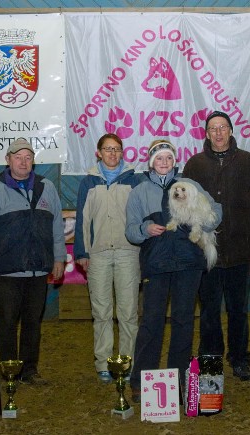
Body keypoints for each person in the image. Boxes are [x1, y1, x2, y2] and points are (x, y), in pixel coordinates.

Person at [125, 139, 222, 402]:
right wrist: (145, 229)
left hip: (189, 264)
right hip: (156, 265)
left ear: (174, 161)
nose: (164, 162)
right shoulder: (140, 191)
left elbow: (216, 212)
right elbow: (131, 230)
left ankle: (179, 380)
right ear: (151, 162)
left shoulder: (191, 186)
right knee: (151, 321)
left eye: (168, 158)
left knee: (183, 321)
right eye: (159, 158)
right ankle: (141, 380)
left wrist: (202, 220)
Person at [0, 137, 66, 386]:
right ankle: (9, 370)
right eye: (18, 157)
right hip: (7, 271)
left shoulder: (47, 188)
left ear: (33, 161)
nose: (23, 162)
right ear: (8, 160)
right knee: (6, 323)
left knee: (32, 323)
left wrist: (59, 258)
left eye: (28, 157)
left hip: (38, 271)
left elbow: (57, 226)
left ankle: (29, 370)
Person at [183, 111, 250, 381]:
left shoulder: (249, 163)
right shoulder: (194, 165)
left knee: (238, 310)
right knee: (208, 310)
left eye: (223, 127)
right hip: (206, 253)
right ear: (206, 134)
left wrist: (239, 226)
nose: (218, 133)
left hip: (239, 251)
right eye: (213, 129)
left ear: (231, 131)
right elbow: (185, 203)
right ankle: (210, 359)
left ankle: (240, 359)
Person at [73, 133, 142, 384]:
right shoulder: (88, 182)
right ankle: (103, 362)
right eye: (107, 149)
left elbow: (141, 217)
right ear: (98, 152)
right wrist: (82, 252)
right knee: (101, 311)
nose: (112, 154)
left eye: (117, 149)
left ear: (123, 152)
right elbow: (83, 219)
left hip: (128, 252)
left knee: (128, 312)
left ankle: (127, 361)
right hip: (98, 254)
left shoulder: (135, 180)